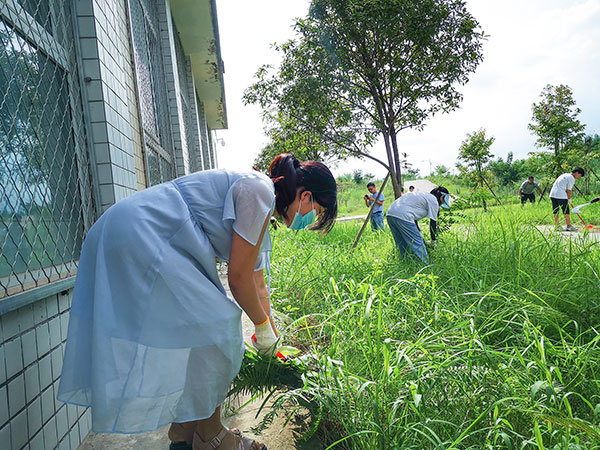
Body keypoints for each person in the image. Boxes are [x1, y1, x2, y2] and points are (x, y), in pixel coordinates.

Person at [58, 154, 337, 450]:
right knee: (218, 329)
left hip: (140, 232)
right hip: (143, 231)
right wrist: (262, 328)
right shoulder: (260, 191)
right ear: (305, 196)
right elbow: (239, 279)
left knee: (201, 337)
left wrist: (270, 338)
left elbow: (257, 282)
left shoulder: (261, 202)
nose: (307, 220)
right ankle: (212, 436)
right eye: (314, 211)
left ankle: (183, 433)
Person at [386, 186, 450, 263]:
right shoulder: (433, 200)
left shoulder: (423, 195)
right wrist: (433, 241)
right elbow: (433, 222)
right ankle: (424, 266)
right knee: (417, 242)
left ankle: (405, 264)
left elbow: (414, 217)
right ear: (442, 197)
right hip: (403, 216)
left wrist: (418, 231)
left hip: (390, 213)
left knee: (402, 243)